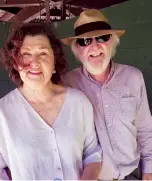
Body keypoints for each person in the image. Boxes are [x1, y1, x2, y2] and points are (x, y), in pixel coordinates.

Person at [0, 23, 102, 180]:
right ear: (15, 62)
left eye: (43, 53)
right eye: (26, 54)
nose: (34, 62)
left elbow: (92, 152)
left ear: (54, 61)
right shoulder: (0, 115)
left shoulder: (78, 103)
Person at [61, 9, 152, 180]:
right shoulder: (66, 85)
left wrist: (149, 169)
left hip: (132, 175)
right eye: (85, 41)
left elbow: (145, 128)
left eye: (102, 38)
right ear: (77, 50)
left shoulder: (133, 77)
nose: (94, 46)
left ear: (113, 42)